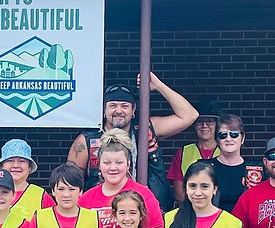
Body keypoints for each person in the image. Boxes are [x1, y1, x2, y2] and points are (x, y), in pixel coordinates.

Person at [67, 72, 198, 211]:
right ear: (104, 109)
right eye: (112, 105)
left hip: (147, 210)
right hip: (102, 214)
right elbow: (70, 182)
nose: (118, 110)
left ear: (133, 109)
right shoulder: (86, 140)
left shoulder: (145, 129)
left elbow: (190, 116)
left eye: (124, 106)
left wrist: (158, 85)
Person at [79, 129, 164, 228]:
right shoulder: (86, 199)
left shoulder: (144, 195)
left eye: (119, 162)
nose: (113, 168)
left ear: (128, 164)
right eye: (107, 163)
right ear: (99, 164)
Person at [167, 100, 223, 204]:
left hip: (220, 210)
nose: (204, 125)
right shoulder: (183, 152)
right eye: (200, 121)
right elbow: (178, 192)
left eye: (209, 121)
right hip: (189, 211)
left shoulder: (225, 151)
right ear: (194, 125)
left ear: (217, 124)